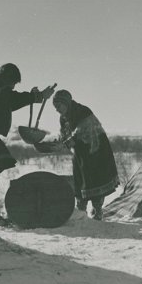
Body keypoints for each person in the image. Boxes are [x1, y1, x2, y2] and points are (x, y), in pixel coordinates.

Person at [0, 63, 55, 228]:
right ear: (8, 80)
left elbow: (11, 101)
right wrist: (39, 96)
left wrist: (36, 97)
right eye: (13, 83)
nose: (13, 87)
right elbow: (14, 99)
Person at [52, 89, 119, 220]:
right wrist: (60, 141)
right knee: (80, 179)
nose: (57, 110)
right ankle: (80, 212)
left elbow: (83, 132)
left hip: (96, 151)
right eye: (55, 107)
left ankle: (97, 210)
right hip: (80, 153)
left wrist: (69, 141)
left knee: (95, 179)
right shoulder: (63, 118)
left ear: (66, 103)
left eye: (59, 106)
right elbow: (65, 135)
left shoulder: (83, 112)